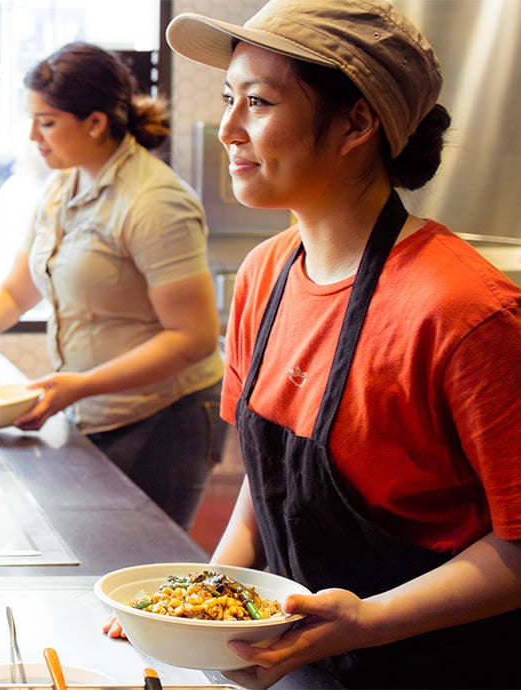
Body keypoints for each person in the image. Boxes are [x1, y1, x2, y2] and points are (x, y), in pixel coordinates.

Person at [105, 1, 521, 688]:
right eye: (228, 99)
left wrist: (367, 621)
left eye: (259, 102)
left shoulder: (463, 312)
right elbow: (267, 492)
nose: (229, 130)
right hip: (302, 658)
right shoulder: (264, 275)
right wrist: (201, 606)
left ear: (358, 122)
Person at [0, 42, 226, 530]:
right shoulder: (62, 189)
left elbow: (192, 338)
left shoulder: (155, 203)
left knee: (144, 563)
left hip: (166, 416)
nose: (32, 137)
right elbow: (14, 294)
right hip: (95, 409)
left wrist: (80, 386)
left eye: (46, 122)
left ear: (96, 122)